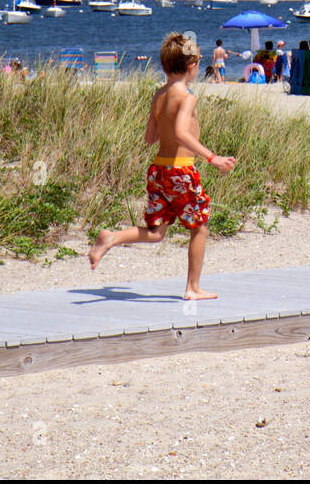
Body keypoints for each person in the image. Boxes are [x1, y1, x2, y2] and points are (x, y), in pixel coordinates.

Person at [89, 33, 235, 300]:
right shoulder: (187, 97)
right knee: (199, 226)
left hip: (159, 170)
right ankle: (193, 287)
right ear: (191, 66)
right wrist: (212, 158)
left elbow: (150, 138)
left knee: (157, 232)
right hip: (181, 170)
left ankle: (112, 238)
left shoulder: (159, 94)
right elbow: (181, 133)